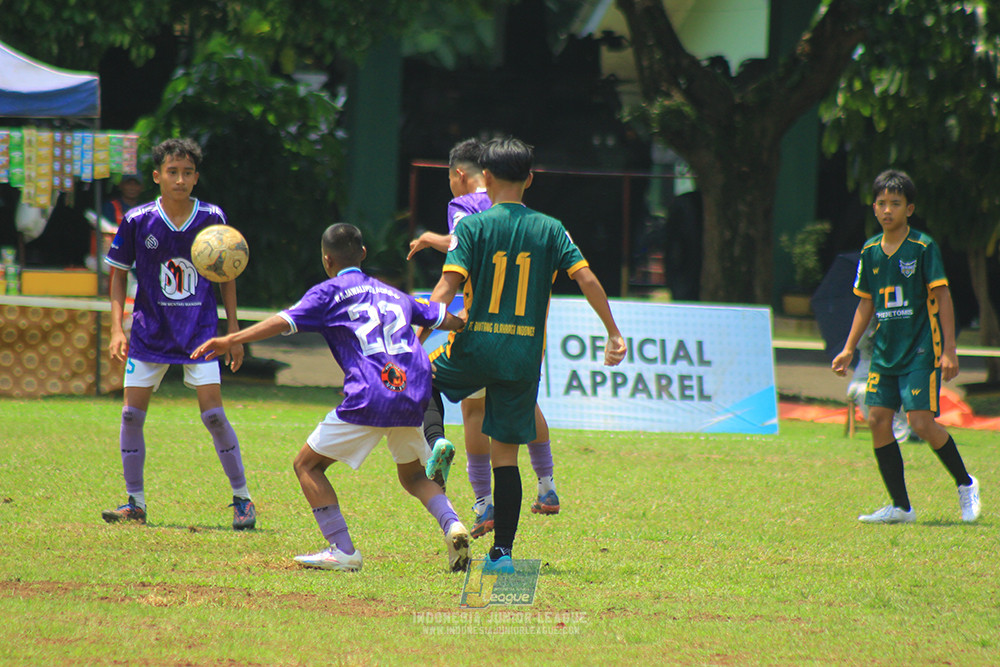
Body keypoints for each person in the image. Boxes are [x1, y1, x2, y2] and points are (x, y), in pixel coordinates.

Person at [191, 223, 471, 572]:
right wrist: (468, 316)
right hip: (413, 392)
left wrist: (231, 339)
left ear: (327, 260)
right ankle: (452, 525)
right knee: (414, 476)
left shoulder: (326, 294)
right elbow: (446, 319)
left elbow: (281, 322)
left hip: (370, 394)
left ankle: (342, 550)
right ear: (363, 254)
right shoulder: (394, 294)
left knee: (307, 465)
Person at [422, 137, 627, 571]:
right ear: (530, 179)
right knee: (506, 457)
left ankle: (436, 438)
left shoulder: (471, 227)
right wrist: (613, 332)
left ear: (486, 177)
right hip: (523, 355)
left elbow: (444, 289)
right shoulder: (552, 229)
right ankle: (502, 555)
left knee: (422, 376)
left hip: (475, 346)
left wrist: (414, 337)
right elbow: (587, 279)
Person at [407, 138, 562, 540]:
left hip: (480, 326)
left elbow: (459, 246)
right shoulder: (524, 212)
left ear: (461, 175)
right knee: (522, 405)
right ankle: (545, 484)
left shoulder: (463, 207)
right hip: (526, 329)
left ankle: (482, 501)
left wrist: (430, 240)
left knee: (473, 410)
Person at [102, 138, 256, 530]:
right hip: (149, 332)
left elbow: (227, 274)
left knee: (215, 416)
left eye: (187, 172)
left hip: (199, 333)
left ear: (196, 177)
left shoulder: (211, 216)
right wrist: (117, 328)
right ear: (157, 176)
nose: (180, 179)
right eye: (172, 172)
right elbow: (118, 275)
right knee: (131, 414)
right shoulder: (137, 220)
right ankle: (135, 503)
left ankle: (243, 499)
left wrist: (233, 330)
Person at [832, 169, 980, 524]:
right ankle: (901, 507)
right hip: (885, 351)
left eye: (895, 204)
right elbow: (866, 302)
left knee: (920, 422)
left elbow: (942, 297)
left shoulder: (923, 247)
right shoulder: (870, 251)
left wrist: (949, 350)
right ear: (874, 207)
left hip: (920, 349)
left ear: (909, 209)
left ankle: (966, 483)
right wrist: (849, 348)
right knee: (877, 419)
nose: (887, 210)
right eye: (882, 203)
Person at [847, 319, 912, 443]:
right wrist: (872, 332)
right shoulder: (867, 330)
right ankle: (880, 428)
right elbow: (860, 344)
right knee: (864, 392)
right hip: (864, 376)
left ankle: (900, 431)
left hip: (893, 372)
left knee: (899, 391)